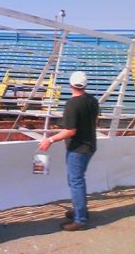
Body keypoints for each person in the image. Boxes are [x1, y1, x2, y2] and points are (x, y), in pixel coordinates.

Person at [39, 71, 99, 231]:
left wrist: (49, 140)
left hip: (77, 148)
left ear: (71, 84)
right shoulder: (93, 101)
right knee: (77, 180)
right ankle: (80, 210)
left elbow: (70, 131)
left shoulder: (73, 104)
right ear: (85, 84)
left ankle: (80, 219)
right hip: (90, 145)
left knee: (76, 182)